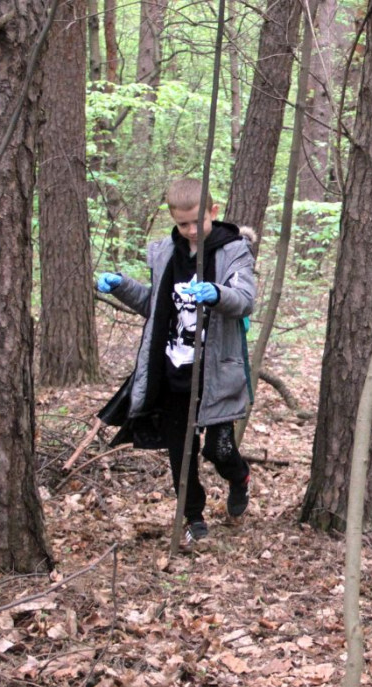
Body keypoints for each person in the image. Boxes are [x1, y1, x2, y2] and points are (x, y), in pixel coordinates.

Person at [96, 178, 256, 545]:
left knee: (219, 449)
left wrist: (217, 293)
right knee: (180, 452)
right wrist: (120, 284)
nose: (189, 230)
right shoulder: (166, 252)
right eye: (181, 223)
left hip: (216, 370)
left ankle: (239, 476)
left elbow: (245, 299)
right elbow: (154, 306)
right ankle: (194, 517)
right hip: (172, 370)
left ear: (213, 213)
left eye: (196, 221)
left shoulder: (233, 251)